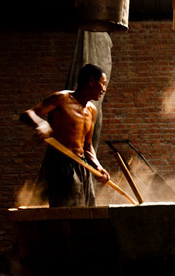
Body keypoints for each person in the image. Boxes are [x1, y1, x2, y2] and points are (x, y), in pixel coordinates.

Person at [19, 63, 110, 207]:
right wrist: (41, 124)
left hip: (83, 166)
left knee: (88, 211)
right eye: (103, 84)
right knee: (68, 213)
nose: (104, 89)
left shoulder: (92, 110)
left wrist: (98, 167)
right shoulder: (62, 98)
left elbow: (87, 145)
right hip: (61, 165)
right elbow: (27, 114)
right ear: (92, 81)